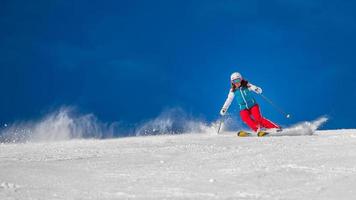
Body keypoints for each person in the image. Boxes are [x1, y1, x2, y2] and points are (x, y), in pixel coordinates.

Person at [220, 72, 280, 136]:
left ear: (241, 79)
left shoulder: (247, 85)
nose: (237, 82)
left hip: (253, 106)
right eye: (234, 81)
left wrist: (257, 89)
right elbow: (229, 100)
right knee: (245, 118)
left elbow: (258, 90)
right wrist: (224, 108)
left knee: (258, 118)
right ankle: (258, 129)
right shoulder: (232, 90)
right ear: (232, 82)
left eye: (238, 80)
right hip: (243, 108)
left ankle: (275, 128)